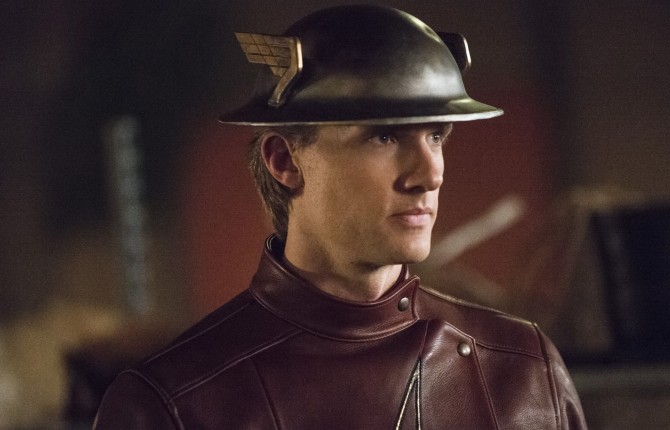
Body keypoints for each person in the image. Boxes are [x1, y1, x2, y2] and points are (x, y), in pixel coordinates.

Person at [93, 5, 587, 429]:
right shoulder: (172, 403)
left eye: (436, 135)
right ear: (285, 160)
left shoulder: (522, 370)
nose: (430, 174)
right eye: (384, 136)